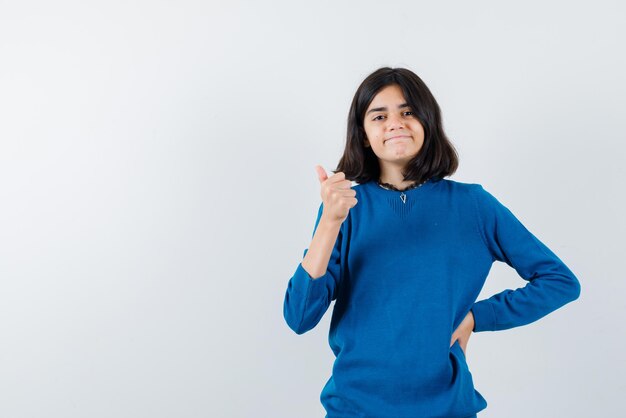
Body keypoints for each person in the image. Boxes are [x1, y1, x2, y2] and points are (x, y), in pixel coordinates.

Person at [282, 67, 581, 418]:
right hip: (355, 408)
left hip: (447, 407)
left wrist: (476, 317)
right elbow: (299, 317)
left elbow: (560, 282)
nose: (395, 122)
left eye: (407, 112)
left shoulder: (474, 206)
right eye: (379, 116)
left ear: (427, 123)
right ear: (364, 135)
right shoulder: (344, 209)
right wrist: (330, 221)